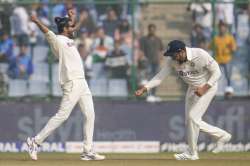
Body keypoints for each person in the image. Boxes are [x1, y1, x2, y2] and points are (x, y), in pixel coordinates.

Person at [26, 9, 105, 161]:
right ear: (64, 29)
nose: (73, 29)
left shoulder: (69, 39)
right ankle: (35, 142)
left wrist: (74, 18)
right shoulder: (56, 40)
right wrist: (36, 21)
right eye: (70, 26)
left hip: (82, 82)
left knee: (90, 114)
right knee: (62, 116)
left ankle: (87, 151)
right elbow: (47, 31)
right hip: (71, 82)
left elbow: (74, 28)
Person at [135, 40, 232, 160]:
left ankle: (196, 150)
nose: (172, 57)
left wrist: (204, 88)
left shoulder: (200, 54)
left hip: (208, 87)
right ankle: (205, 146)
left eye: (173, 54)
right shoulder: (173, 62)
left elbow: (217, 72)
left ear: (181, 52)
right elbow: (160, 76)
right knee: (190, 122)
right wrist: (145, 88)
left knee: (193, 118)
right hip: (192, 89)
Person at [211, 21, 237, 97]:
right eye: (220, 27)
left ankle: (229, 92)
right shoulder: (216, 38)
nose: (222, 29)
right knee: (215, 76)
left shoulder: (230, 38)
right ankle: (213, 92)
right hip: (218, 60)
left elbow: (234, 49)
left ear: (226, 28)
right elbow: (211, 47)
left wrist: (231, 48)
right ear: (219, 29)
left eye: (223, 27)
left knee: (228, 76)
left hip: (227, 59)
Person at [139, 24, 163, 101]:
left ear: (155, 30)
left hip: (156, 61)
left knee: (155, 79)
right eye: (150, 29)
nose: (152, 31)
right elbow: (141, 51)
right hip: (148, 62)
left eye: (153, 29)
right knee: (149, 79)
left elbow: (161, 50)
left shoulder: (158, 39)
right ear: (148, 30)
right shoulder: (144, 39)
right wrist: (143, 58)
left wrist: (160, 58)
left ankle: (154, 94)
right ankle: (148, 95)